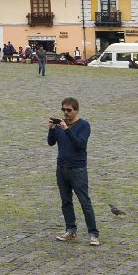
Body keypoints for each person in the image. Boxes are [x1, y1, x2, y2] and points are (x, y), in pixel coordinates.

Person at [47, 97, 99, 246]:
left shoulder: (84, 125)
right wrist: (51, 130)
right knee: (66, 201)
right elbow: (51, 143)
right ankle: (70, 230)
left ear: (76, 110)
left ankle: (93, 233)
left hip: (78, 169)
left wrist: (67, 130)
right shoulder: (59, 126)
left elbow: (80, 145)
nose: (65, 112)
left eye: (68, 110)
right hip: (62, 168)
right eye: (63, 110)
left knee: (85, 202)